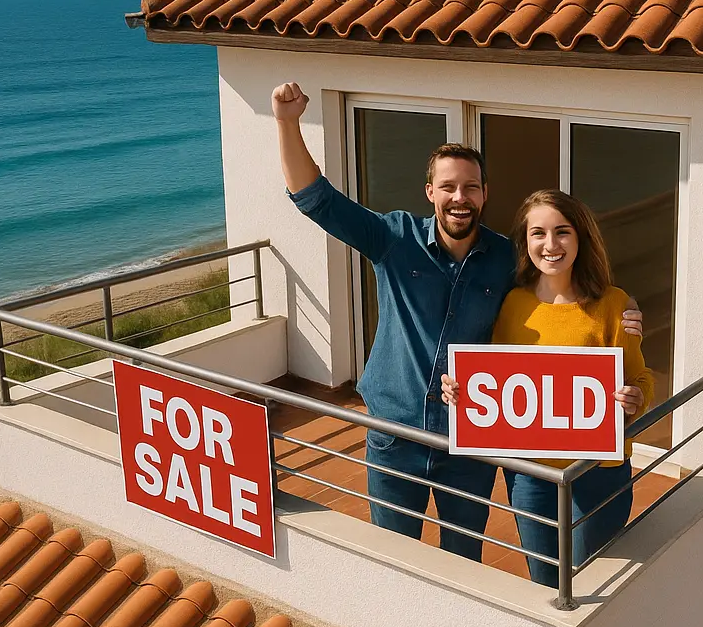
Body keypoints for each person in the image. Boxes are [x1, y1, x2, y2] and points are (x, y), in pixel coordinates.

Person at [270, 82, 640, 561]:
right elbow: (315, 198)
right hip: (395, 434)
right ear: (431, 192)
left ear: (485, 195)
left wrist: (622, 304)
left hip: (468, 441)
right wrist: (286, 122)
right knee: (393, 556)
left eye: (469, 187)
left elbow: (562, 282)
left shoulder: (508, 260)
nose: (458, 197)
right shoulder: (393, 238)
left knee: (463, 559)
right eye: (447, 186)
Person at [444, 189, 653, 587]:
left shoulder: (615, 304)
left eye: (562, 232)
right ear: (525, 242)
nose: (551, 244)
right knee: (543, 585)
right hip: (530, 477)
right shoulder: (513, 304)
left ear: (580, 238)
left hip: (597, 473)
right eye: (538, 233)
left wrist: (636, 399)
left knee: (591, 584)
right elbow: (495, 379)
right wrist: (462, 393)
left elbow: (641, 379)